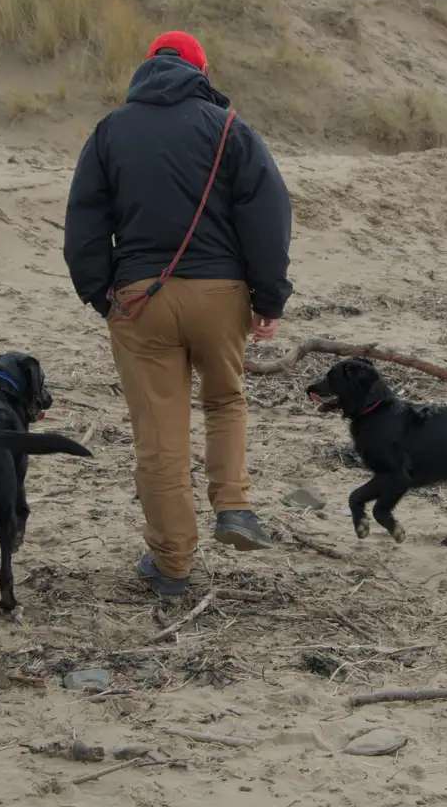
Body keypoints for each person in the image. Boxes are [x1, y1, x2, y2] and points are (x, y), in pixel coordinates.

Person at [64, 31, 294, 597]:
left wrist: (102, 295)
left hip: (141, 297)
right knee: (224, 397)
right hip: (221, 294)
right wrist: (269, 299)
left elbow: (84, 225)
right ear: (201, 70)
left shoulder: (109, 132)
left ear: (147, 68)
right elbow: (268, 214)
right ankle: (235, 505)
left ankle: (172, 565)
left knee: (159, 434)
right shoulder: (229, 128)